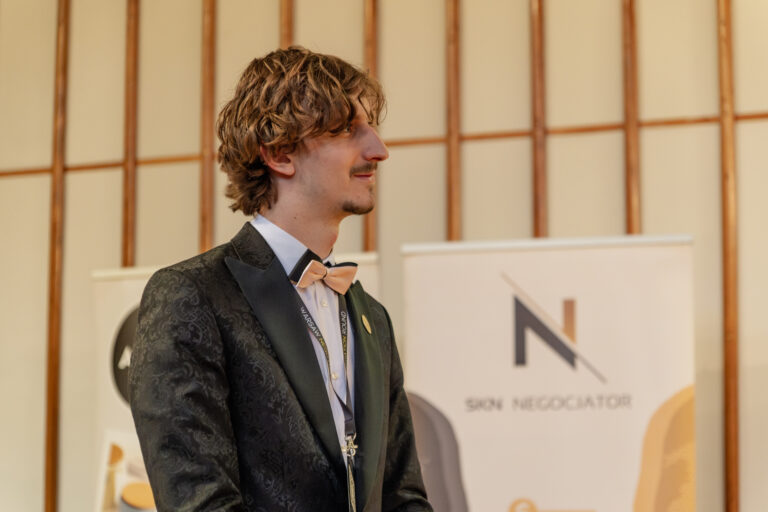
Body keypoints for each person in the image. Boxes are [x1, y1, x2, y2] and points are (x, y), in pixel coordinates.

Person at [129, 47, 432, 512]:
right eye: (347, 129)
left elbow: (402, 496)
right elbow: (201, 503)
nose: (379, 150)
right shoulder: (192, 295)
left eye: (372, 127)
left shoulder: (373, 318)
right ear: (279, 153)